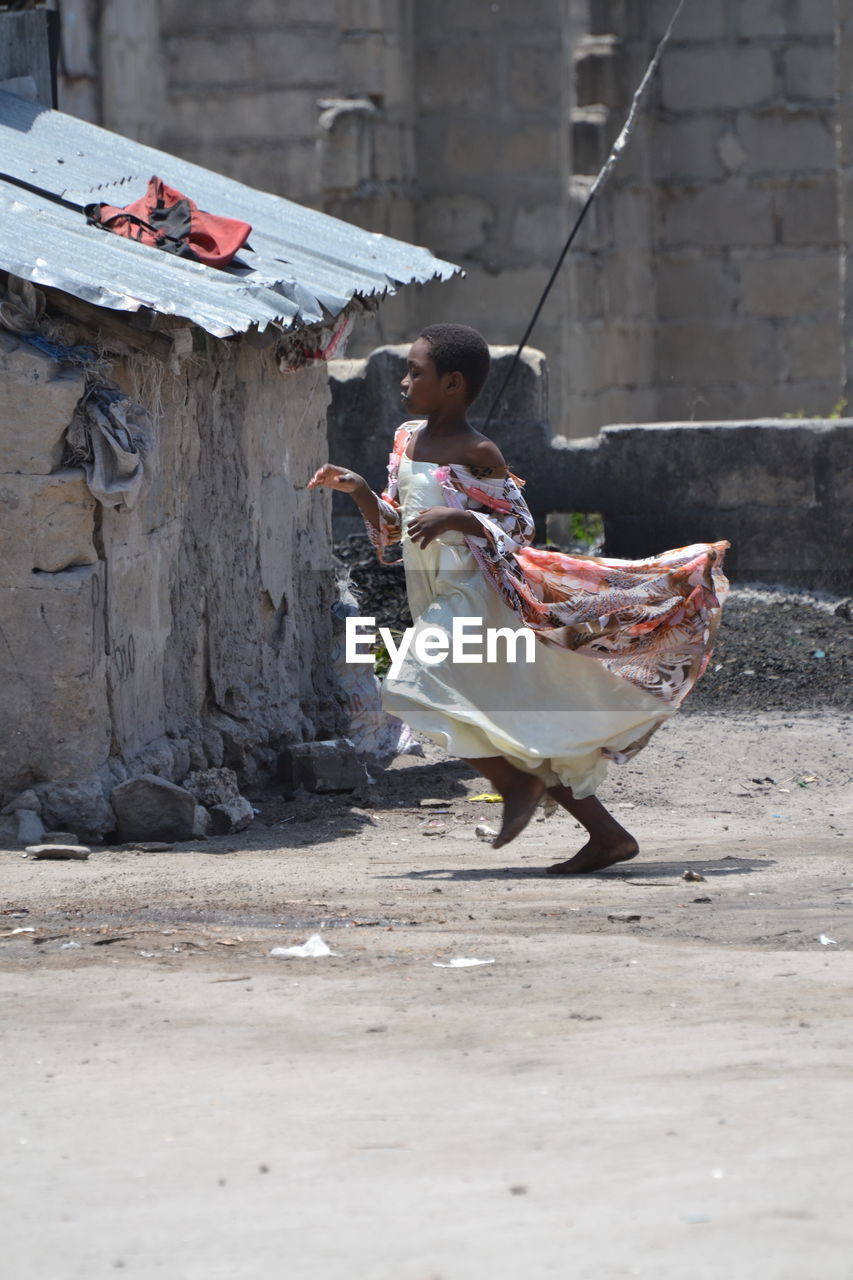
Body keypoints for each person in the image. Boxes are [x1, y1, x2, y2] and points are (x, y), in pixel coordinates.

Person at [308, 324, 728, 873]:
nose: (405, 381)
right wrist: (360, 490)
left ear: (453, 382)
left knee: (411, 682)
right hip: (432, 592)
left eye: (417, 372)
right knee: (509, 721)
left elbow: (519, 526)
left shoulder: (479, 452)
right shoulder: (406, 438)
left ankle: (515, 785)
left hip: (476, 595)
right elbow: (394, 529)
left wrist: (462, 517)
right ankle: (608, 836)